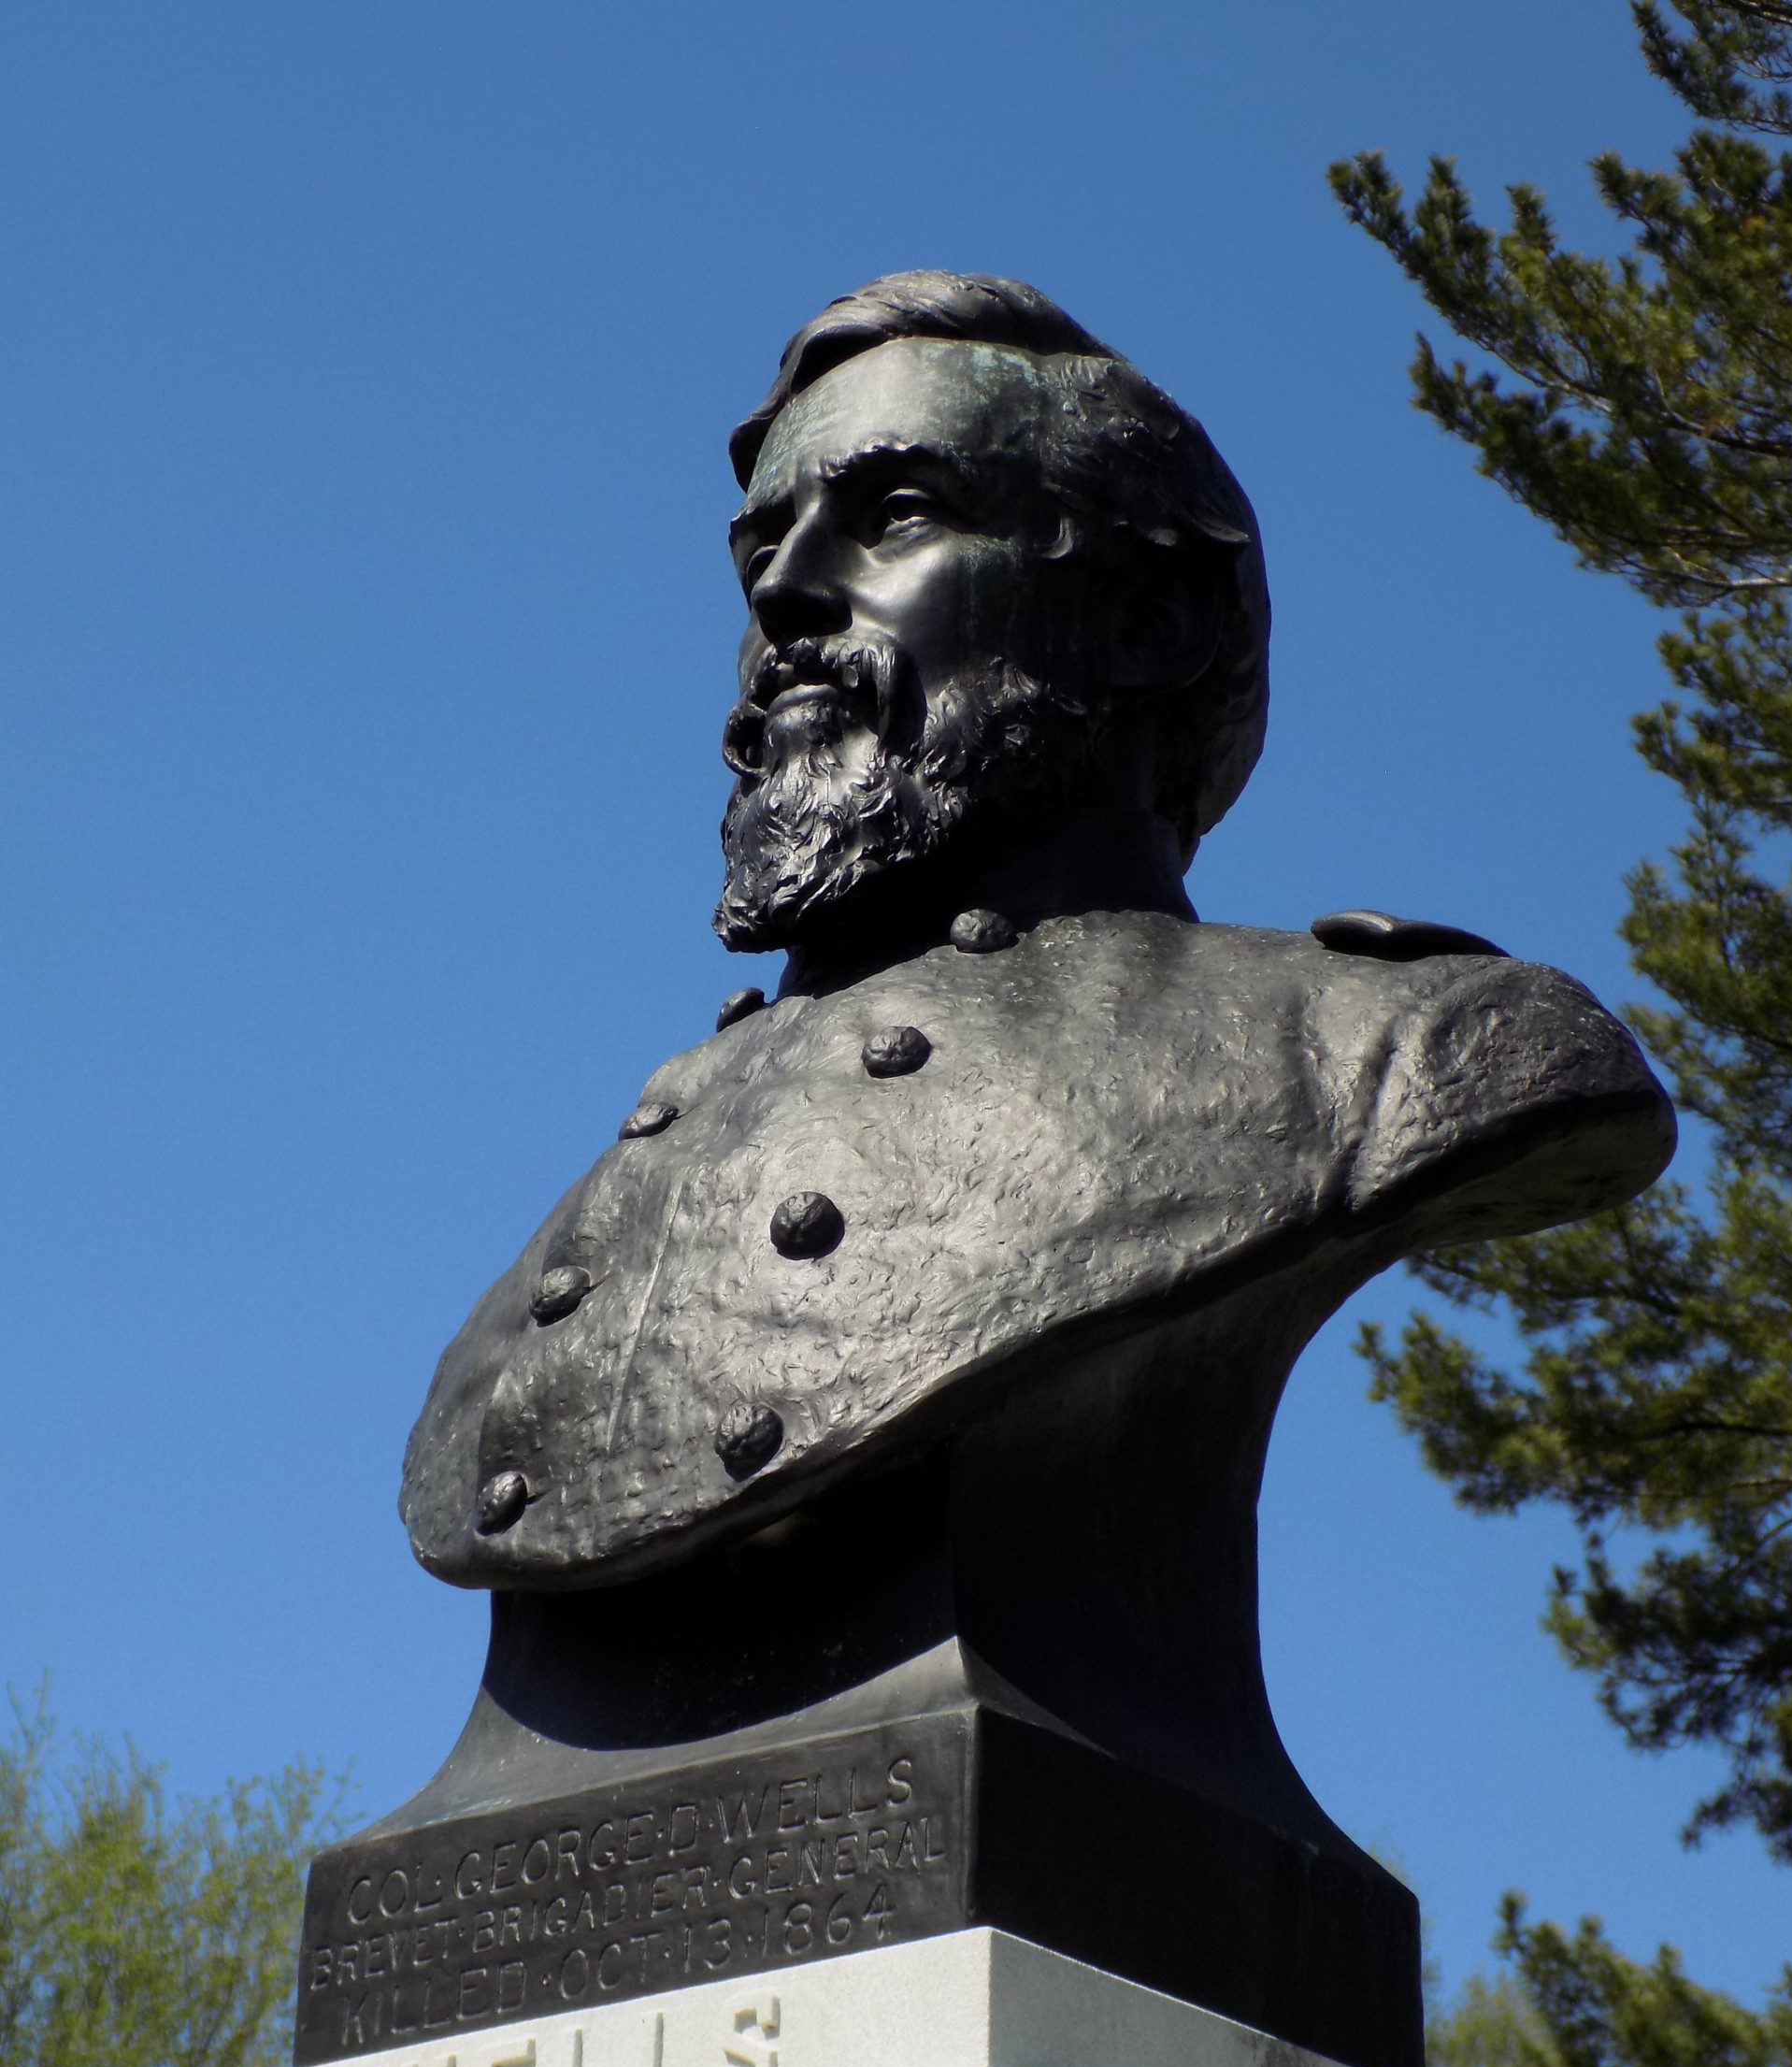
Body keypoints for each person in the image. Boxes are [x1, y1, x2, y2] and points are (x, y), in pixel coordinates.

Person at [399, 274, 1673, 1734]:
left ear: (1152, 621)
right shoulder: (604, 1206)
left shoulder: (1377, 1053)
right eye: (762, 543)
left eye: (895, 515)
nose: (783, 591)